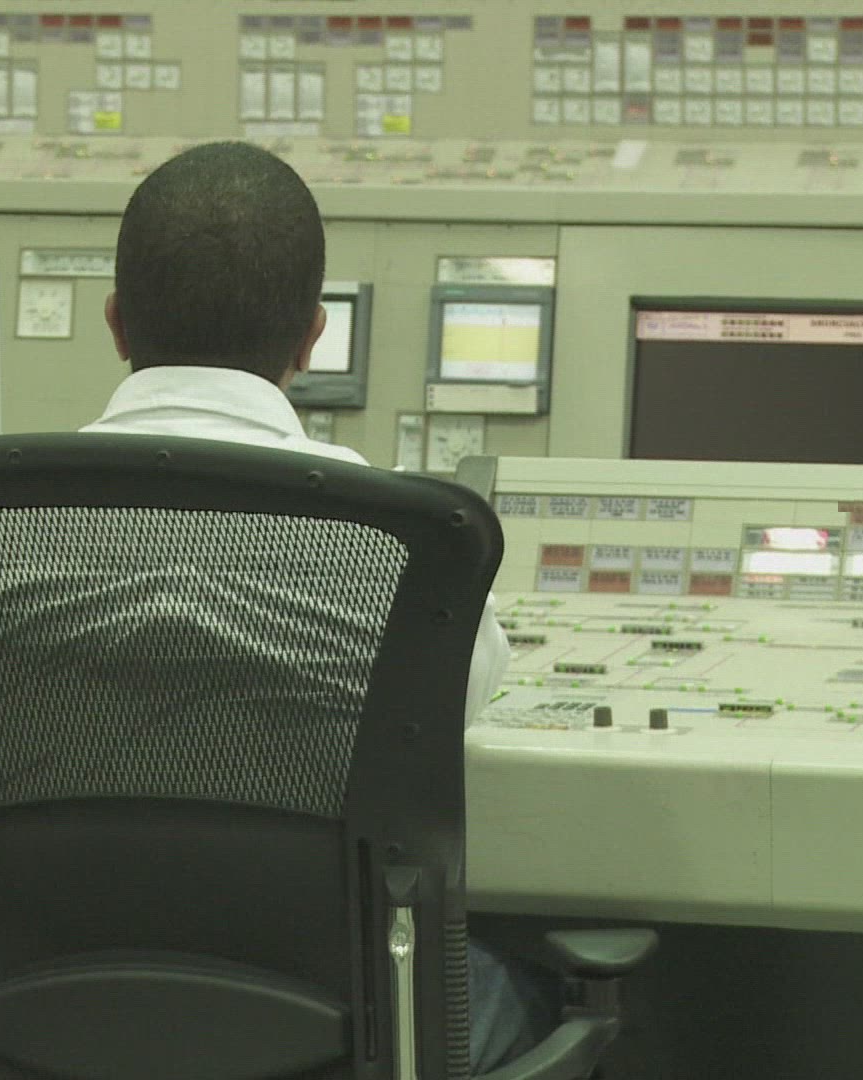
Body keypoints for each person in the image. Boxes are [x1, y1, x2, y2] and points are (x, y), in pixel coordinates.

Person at [83, 140, 548, 1072]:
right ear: (311, 338)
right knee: (535, 987)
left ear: (116, 322)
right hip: (334, 1026)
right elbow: (454, 711)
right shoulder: (408, 545)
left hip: (41, 1015)